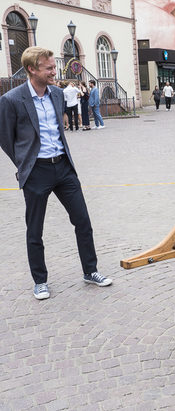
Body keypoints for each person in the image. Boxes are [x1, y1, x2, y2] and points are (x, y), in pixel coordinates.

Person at [0, 47, 112, 300]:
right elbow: (5, 138)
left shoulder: (58, 94)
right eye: (49, 68)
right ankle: (40, 281)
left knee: (83, 220)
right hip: (36, 172)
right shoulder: (11, 100)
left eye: (54, 67)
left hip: (63, 167)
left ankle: (90, 271)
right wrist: (24, 162)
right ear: (32, 69)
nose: (54, 72)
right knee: (35, 229)